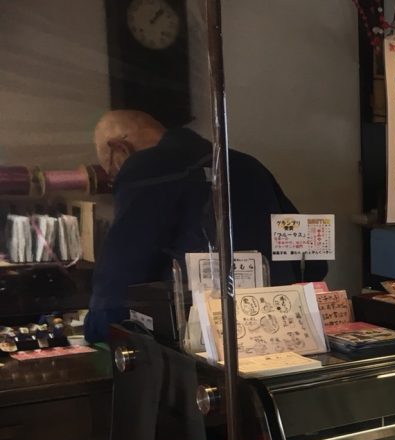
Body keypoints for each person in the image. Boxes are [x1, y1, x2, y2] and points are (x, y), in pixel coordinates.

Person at [85, 110, 326, 342]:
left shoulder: (147, 167)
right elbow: (311, 256)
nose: (115, 178)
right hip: (280, 328)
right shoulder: (246, 163)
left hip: (200, 336)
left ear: (119, 148)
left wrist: (99, 324)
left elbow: (123, 263)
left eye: (111, 172)